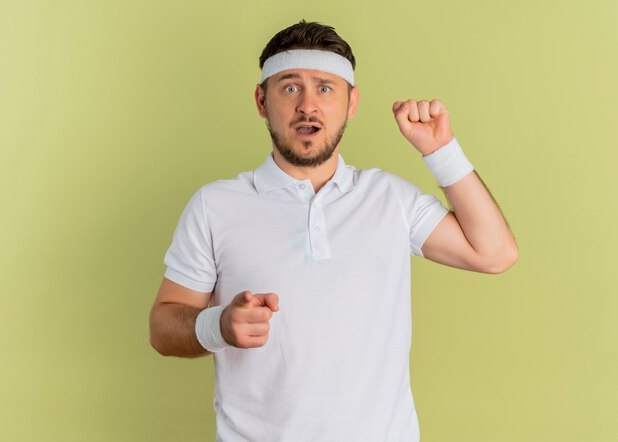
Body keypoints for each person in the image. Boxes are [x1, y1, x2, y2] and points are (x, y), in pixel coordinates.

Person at [149, 20, 518, 442]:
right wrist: (219, 325)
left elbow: (495, 254)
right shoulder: (215, 205)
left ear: (352, 101)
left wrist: (441, 152)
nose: (308, 105)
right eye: (290, 87)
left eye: (325, 88)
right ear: (261, 100)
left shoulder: (390, 198)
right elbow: (162, 328)